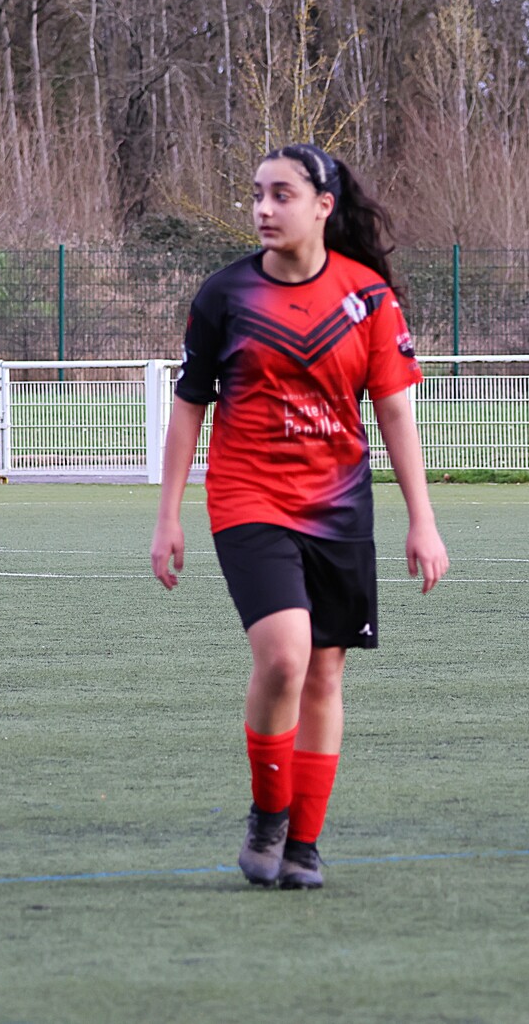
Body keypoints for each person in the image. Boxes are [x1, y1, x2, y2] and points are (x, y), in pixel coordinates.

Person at [150, 143, 449, 890]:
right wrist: (168, 515)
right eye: (257, 193)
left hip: (339, 507)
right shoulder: (224, 294)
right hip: (248, 498)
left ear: (323, 205)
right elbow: (189, 407)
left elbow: (396, 414)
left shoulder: (368, 298)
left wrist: (422, 519)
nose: (263, 208)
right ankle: (268, 813)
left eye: (281, 194)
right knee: (285, 656)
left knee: (323, 673)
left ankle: (304, 843)